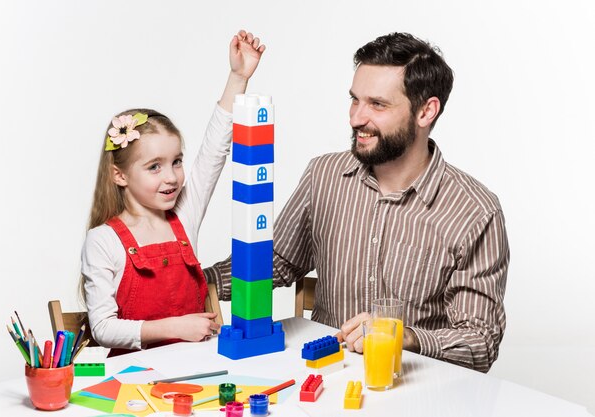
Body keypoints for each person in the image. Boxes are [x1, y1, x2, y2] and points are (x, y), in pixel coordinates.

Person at [205, 32, 509, 373]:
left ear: (426, 111)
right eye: (355, 100)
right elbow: (276, 262)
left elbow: (480, 342)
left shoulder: (475, 211)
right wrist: (191, 283)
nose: (356, 118)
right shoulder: (324, 174)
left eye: (377, 104)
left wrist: (403, 336)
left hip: (412, 389)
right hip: (323, 377)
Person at [81, 30, 265, 354]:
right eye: (154, 166)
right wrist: (176, 327)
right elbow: (103, 327)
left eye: (176, 162)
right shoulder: (103, 241)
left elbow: (213, 153)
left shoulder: (183, 214)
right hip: (133, 380)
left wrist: (238, 77)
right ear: (119, 174)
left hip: (194, 370)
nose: (171, 178)